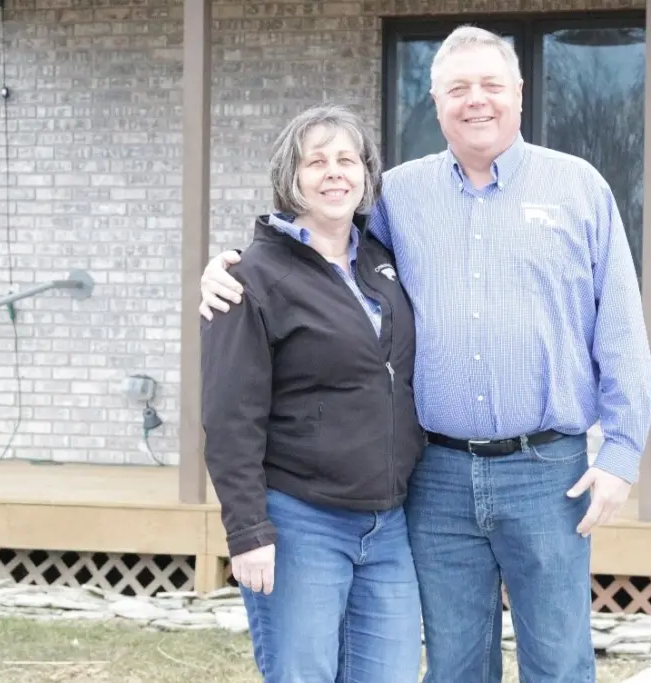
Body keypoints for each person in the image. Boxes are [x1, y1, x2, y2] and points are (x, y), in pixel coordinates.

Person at [200, 26, 651, 683]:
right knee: (455, 664)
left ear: (519, 94)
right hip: (435, 477)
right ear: (436, 102)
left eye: (491, 85)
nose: (477, 100)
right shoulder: (398, 198)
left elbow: (620, 327)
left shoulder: (577, 188)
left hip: (547, 470)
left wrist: (621, 451)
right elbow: (318, 243)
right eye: (458, 88)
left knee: (558, 660)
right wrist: (225, 266)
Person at [199, 103, 426, 683]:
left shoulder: (383, 261)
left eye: (347, 159)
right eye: (316, 161)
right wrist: (247, 532)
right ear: (289, 178)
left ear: (367, 174)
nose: (334, 173)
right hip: (301, 522)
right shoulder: (250, 279)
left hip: (387, 524)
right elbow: (231, 419)